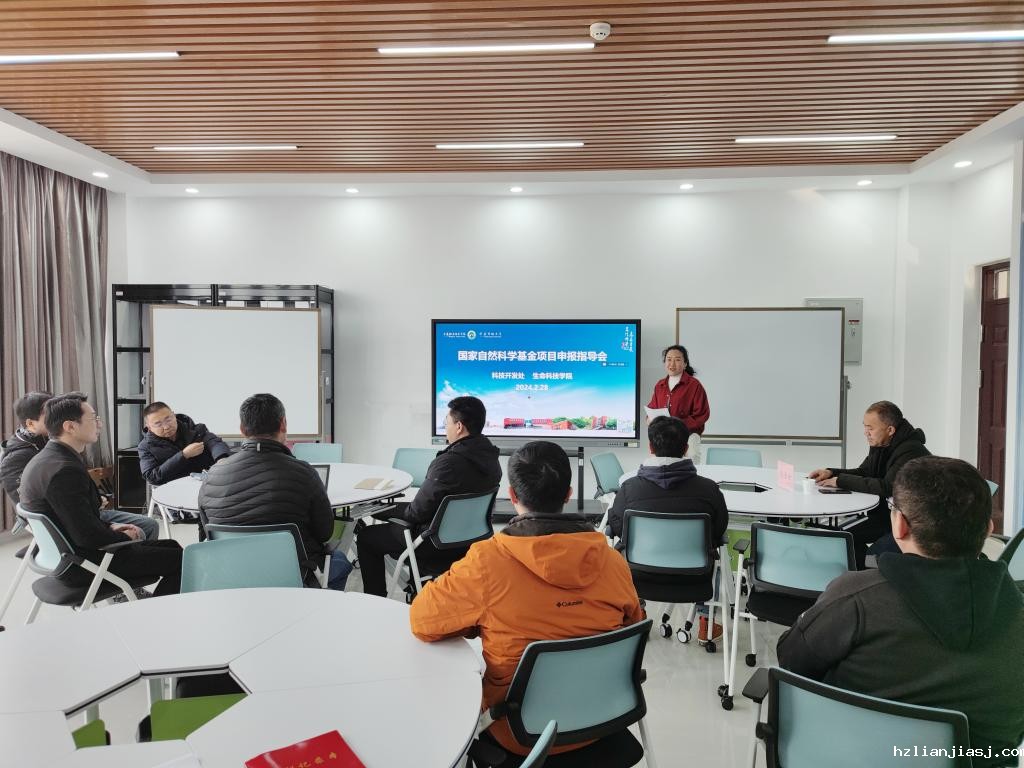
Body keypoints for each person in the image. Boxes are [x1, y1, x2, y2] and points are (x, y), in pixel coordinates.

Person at [778, 457, 1024, 767]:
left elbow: (792, 660)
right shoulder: (1018, 611)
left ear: (900, 524)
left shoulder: (855, 598)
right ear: (988, 529)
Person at [410, 441, 644, 759]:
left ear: (512, 495)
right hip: (601, 719)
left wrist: (476, 623)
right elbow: (633, 628)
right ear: (568, 494)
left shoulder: (486, 562)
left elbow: (422, 621)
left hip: (519, 732)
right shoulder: (613, 561)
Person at [18, 393, 182, 596]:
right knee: (182, 559)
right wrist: (122, 535)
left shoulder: (47, 459)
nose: (100, 424)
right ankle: (156, 612)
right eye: (93, 419)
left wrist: (110, 526)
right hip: (82, 564)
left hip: (68, 554)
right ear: (70, 427)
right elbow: (86, 536)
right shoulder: (64, 471)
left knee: (171, 546)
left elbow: (75, 519)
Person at [197, 393, 349, 589]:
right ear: (283, 424)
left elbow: (207, 530)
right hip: (293, 574)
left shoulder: (212, 475)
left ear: (242, 429)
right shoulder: (304, 473)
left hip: (231, 575)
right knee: (340, 562)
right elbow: (324, 533)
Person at [356, 395, 501, 597]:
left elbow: (416, 513)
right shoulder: (491, 459)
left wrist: (380, 509)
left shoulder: (448, 463)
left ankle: (376, 600)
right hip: (470, 542)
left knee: (366, 537)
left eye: (446, 423)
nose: (445, 428)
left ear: (459, 426)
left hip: (433, 544)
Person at [608, 415, 728, 644]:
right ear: (686, 449)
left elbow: (616, 526)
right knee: (717, 551)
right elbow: (719, 529)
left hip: (639, 576)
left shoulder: (629, 489)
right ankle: (705, 621)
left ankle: (638, 612)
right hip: (696, 579)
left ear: (650, 447)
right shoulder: (709, 490)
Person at [2, 391, 159, 540]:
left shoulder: (55, 442)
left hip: (77, 511)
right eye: (48, 412)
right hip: (63, 520)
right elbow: (31, 503)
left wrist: (95, 499)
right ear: (30, 423)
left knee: (148, 527)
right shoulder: (17, 458)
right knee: (149, 529)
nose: (55, 414)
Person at [808, 400, 929, 568]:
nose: (866, 433)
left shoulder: (910, 450)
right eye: (865, 427)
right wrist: (831, 472)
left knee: (870, 554)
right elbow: (865, 472)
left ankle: (866, 573)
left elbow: (886, 487)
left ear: (890, 430)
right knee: (844, 537)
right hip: (890, 515)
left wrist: (840, 481)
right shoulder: (883, 444)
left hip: (914, 524)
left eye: (870, 428)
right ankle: (857, 573)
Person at [138, 401, 231, 487]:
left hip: (207, 485)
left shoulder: (195, 430)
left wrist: (221, 458)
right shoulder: (145, 447)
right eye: (158, 424)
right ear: (149, 427)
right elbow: (151, 476)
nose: (166, 427)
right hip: (174, 489)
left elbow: (214, 442)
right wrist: (184, 455)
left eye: (168, 419)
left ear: (174, 415)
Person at [647, 345, 710, 461]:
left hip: (688, 434)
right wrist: (649, 419)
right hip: (663, 435)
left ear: (685, 364)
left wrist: (677, 425)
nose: (672, 364)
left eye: (677, 360)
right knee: (656, 462)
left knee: (691, 459)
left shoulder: (694, 385)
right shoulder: (660, 385)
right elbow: (653, 408)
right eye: (669, 359)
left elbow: (701, 415)